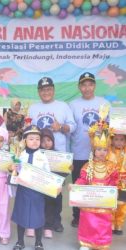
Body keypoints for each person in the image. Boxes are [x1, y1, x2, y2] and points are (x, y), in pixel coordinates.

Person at [69, 72, 110, 228]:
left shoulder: (104, 103)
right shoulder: (73, 105)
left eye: (90, 84)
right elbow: (70, 128)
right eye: (84, 85)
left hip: (99, 154)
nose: (87, 88)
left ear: (94, 86)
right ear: (79, 87)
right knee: (79, 185)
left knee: (98, 185)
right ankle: (77, 216)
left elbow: (111, 128)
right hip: (79, 152)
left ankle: (98, 217)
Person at [74, 120, 118, 250]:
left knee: (103, 223)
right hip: (90, 201)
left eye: (105, 149)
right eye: (98, 149)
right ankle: (86, 243)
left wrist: (112, 193)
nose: (102, 152)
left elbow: (114, 182)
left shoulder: (111, 167)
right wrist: (76, 187)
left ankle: (101, 244)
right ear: (93, 150)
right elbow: (82, 180)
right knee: (88, 221)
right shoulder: (88, 166)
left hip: (104, 202)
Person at [11, 125, 50, 250]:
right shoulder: (20, 155)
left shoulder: (43, 156)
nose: (35, 141)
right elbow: (14, 171)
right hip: (23, 190)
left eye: (37, 139)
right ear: (25, 140)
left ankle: (38, 242)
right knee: (21, 215)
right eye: (31, 138)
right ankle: (20, 242)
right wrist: (13, 168)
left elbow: (47, 173)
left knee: (38, 216)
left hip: (37, 191)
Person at [29, 77, 76, 152]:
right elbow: (29, 129)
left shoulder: (63, 106)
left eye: (48, 89)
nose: (46, 92)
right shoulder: (32, 108)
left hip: (59, 153)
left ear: (53, 90)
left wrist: (60, 127)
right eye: (42, 90)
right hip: (38, 154)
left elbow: (73, 127)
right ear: (38, 92)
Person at [40, 128, 65, 238]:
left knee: (57, 205)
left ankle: (57, 222)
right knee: (46, 205)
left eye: (49, 140)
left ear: (53, 141)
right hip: (44, 185)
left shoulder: (58, 155)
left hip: (56, 186)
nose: (46, 143)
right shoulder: (39, 154)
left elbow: (63, 172)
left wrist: (68, 168)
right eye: (43, 141)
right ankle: (46, 224)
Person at [107, 133, 126, 235]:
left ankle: (119, 224)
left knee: (122, 205)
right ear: (112, 141)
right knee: (111, 203)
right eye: (116, 139)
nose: (119, 142)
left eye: (122, 139)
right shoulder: (108, 152)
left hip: (124, 184)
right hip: (112, 182)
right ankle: (111, 223)